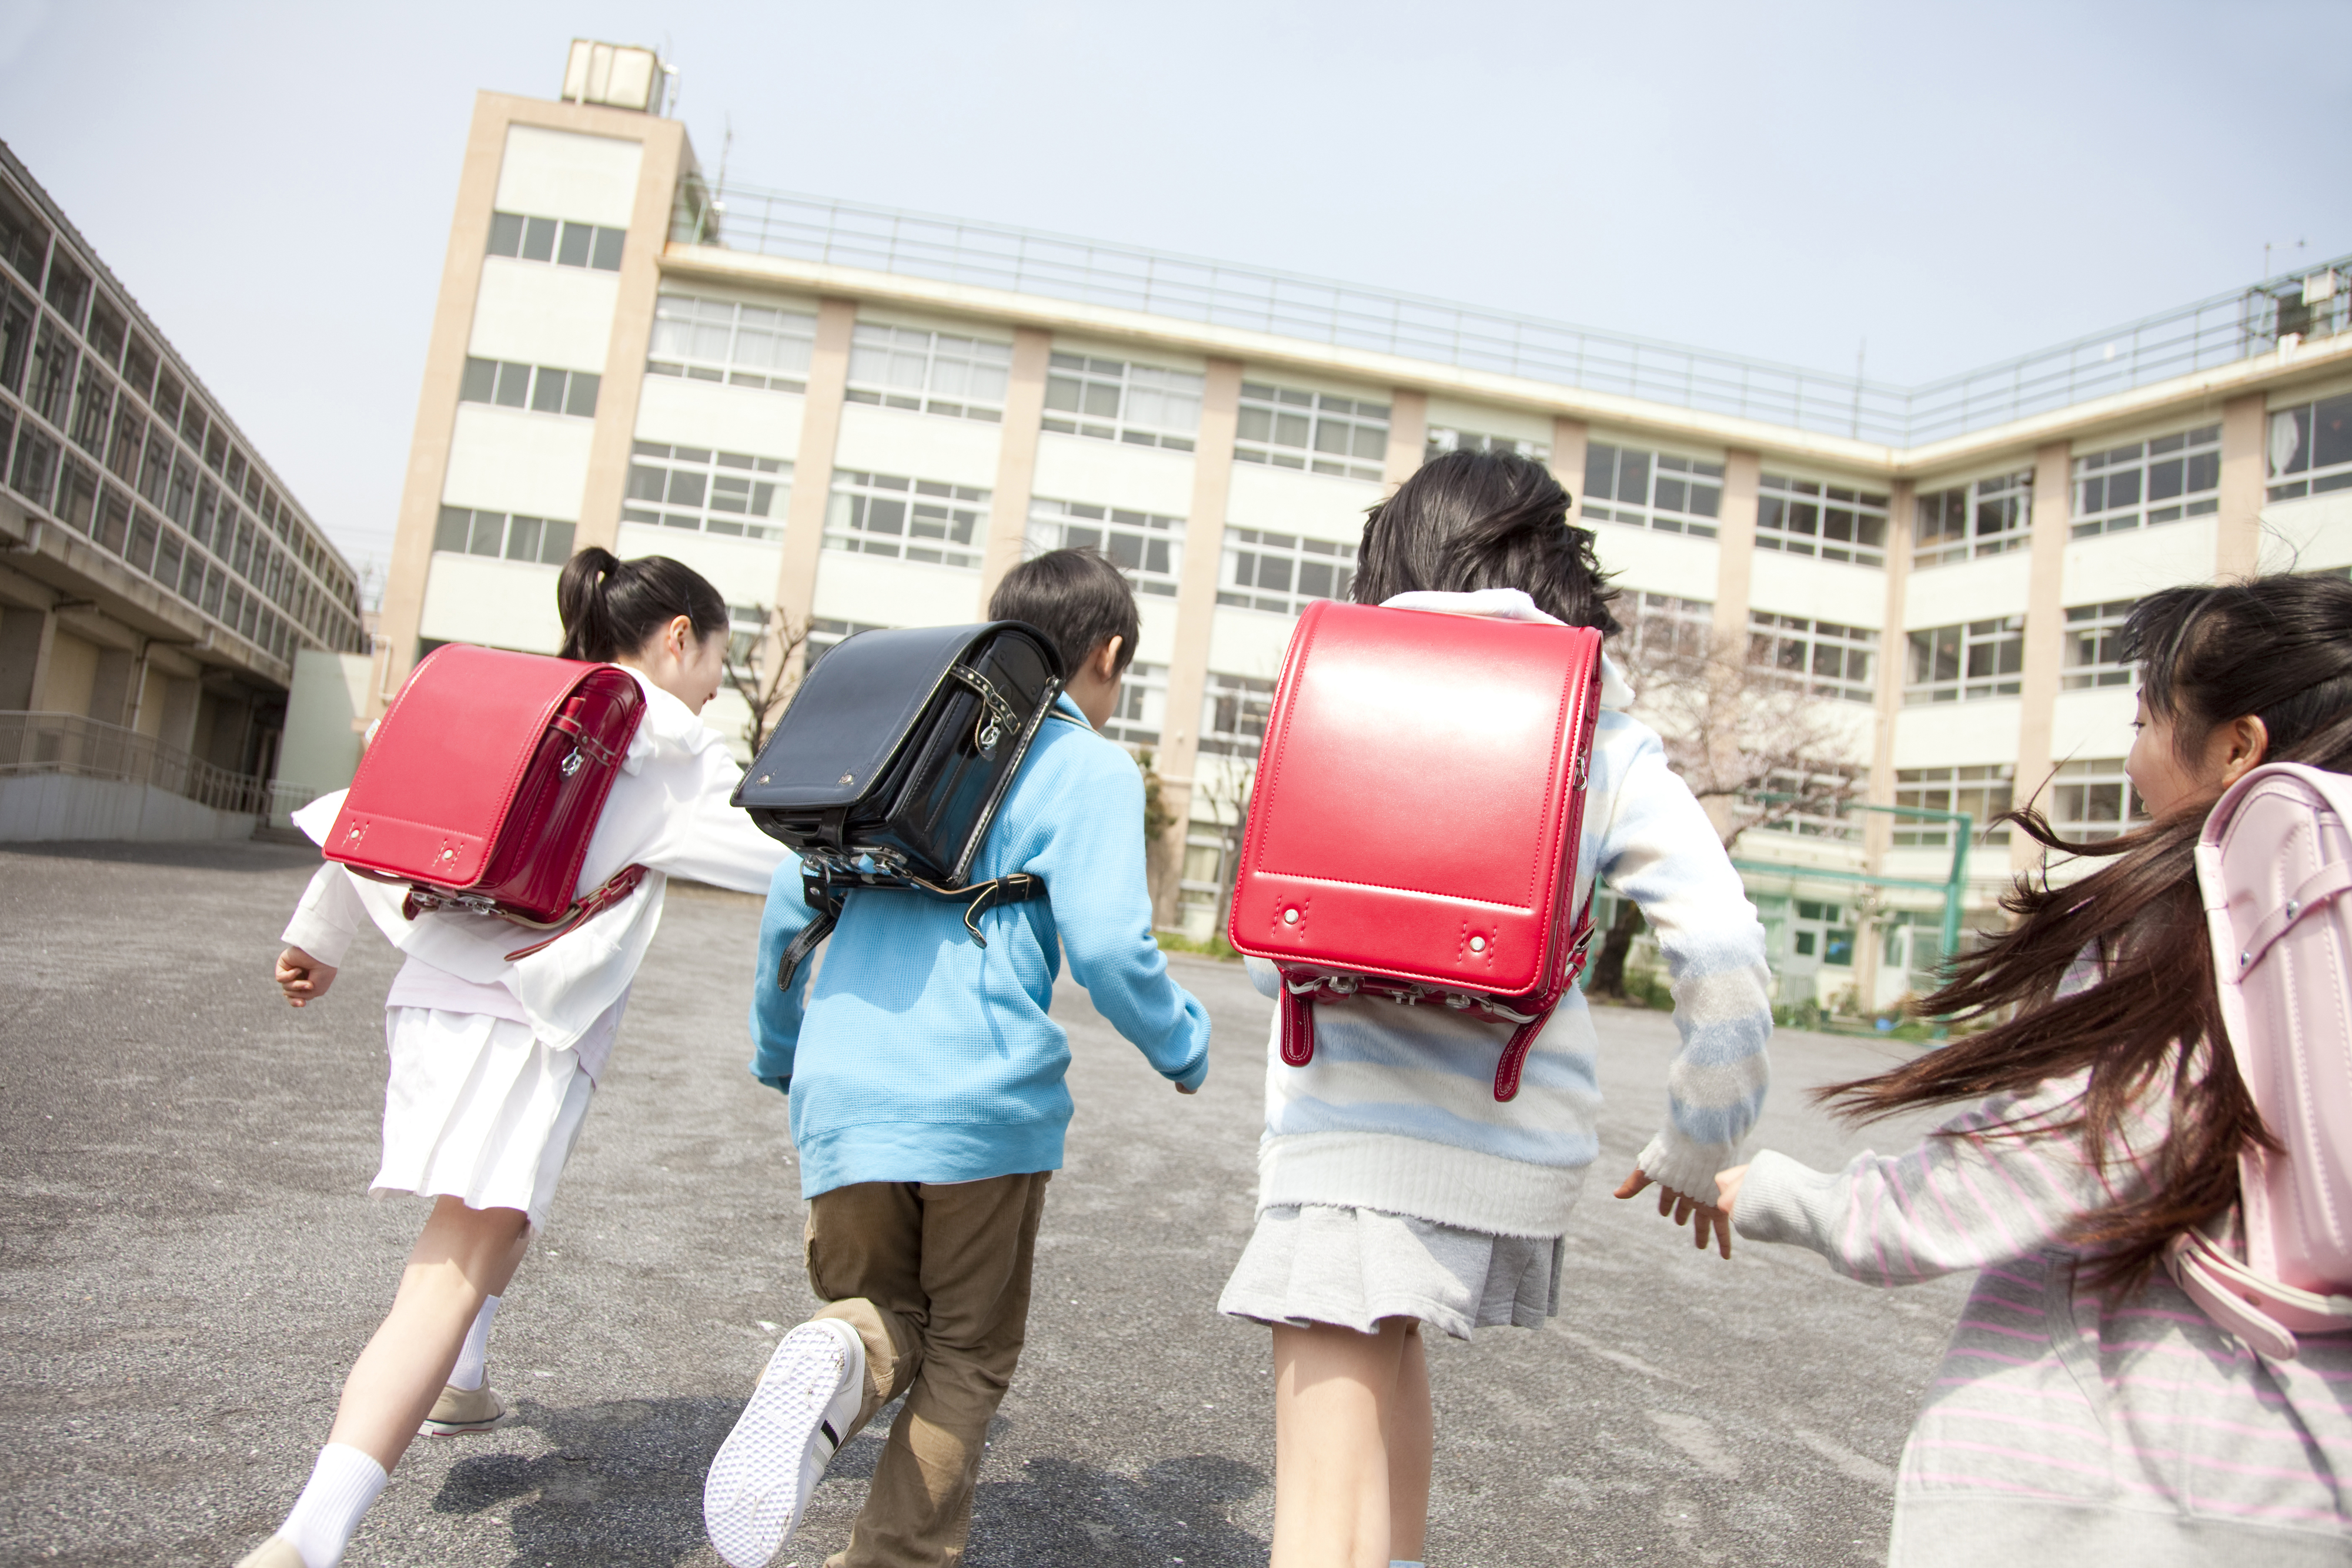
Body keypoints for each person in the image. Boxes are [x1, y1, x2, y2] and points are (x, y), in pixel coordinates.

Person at [1712, 573, 2352, 1563]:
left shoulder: (2188, 934)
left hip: (2138, 1494)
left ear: (2239, 747)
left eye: (2147, 719)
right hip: (2313, 1487)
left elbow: (2019, 1173)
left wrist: (1783, 1195)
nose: (2135, 757)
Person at [1213, 449, 1774, 1568]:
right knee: (1393, 1368)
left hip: (1346, 1146)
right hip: (1513, 1142)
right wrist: (1700, 1139)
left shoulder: (1336, 688)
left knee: (1319, 1522)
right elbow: (1722, 946)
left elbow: (1269, 953)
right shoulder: (1593, 719)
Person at [236, 550, 787, 1568]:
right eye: (718, 658)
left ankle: (463, 1383)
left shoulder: (524, 697)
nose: (717, 682)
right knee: (447, 1271)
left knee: (501, 1212)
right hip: (527, 1021)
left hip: (433, 998)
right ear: (678, 637)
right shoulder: (671, 740)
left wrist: (317, 936)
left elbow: (379, 803)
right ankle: (308, 1537)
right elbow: (765, 857)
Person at [703, 546, 1213, 1568]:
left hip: (843, 1094)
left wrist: (782, 1056)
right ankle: (889, 1559)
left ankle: (840, 1347)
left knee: (878, 1314)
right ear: (1106, 655)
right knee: (970, 1353)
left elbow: (783, 916)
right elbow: (1112, 945)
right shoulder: (1087, 766)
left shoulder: (889, 746)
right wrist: (1183, 1044)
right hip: (983, 1102)